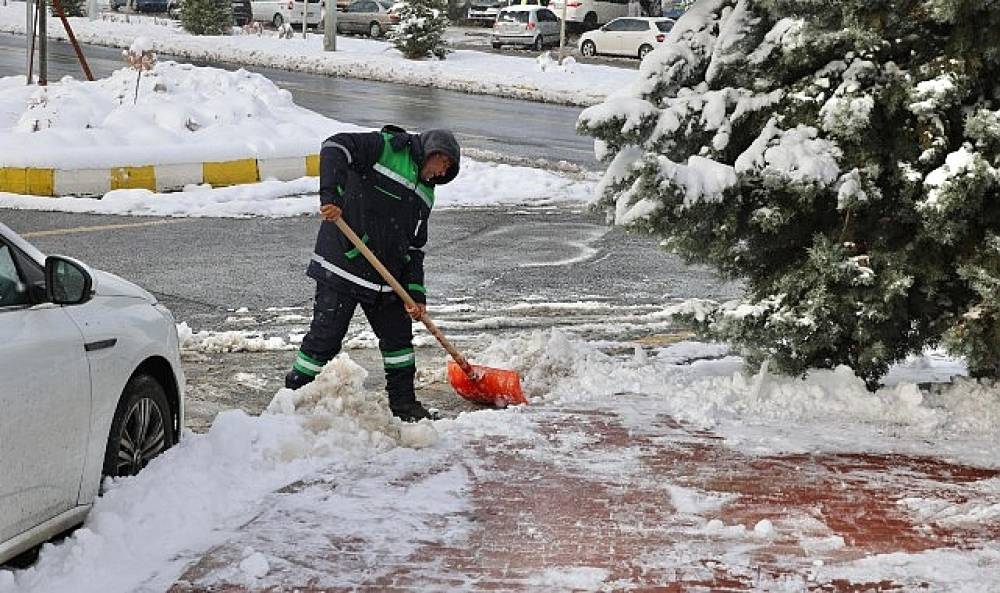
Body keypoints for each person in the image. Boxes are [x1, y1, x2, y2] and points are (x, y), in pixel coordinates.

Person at [285, 125, 461, 422]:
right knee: (325, 338)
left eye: (447, 171)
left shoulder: (427, 194)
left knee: (399, 343)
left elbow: (415, 249)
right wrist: (332, 195)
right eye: (443, 165)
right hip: (344, 263)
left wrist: (416, 294)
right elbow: (335, 147)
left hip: (386, 279)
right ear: (435, 152)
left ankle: (404, 405)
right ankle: (292, 397)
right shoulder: (387, 147)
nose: (441, 174)